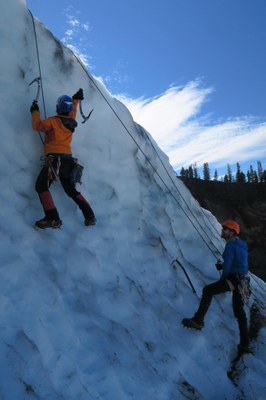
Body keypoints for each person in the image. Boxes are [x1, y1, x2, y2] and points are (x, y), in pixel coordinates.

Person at [30, 88, 96, 229]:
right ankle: (90, 216)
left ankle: (52, 218)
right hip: (68, 161)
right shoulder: (71, 122)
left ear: (57, 107)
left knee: (41, 186)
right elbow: (72, 112)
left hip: (55, 161)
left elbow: (37, 126)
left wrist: (34, 111)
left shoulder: (53, 122)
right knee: (71, 190)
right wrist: (75, 100)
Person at [182, 220, 250, 353]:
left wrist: (222, 279)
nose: (222, 230)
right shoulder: (242, 245)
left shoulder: (230, 245)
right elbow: (238, 262)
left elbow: (229, 266)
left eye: (225, 229)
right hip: (243, 281)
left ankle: (198, 320)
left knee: (208, 291)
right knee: (240, 313)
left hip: (233, 279)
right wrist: (224, 265)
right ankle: (245, 345)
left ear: (231, 232)